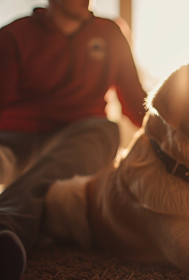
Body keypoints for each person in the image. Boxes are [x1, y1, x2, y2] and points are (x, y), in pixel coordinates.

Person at [0, 0, 147, 279]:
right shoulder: (13, 35)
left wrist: (179, 126)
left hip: (77, 140)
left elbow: (135, 102)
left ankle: (5, 225)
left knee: (105, 130)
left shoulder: (111, 33)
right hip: (13, 140)